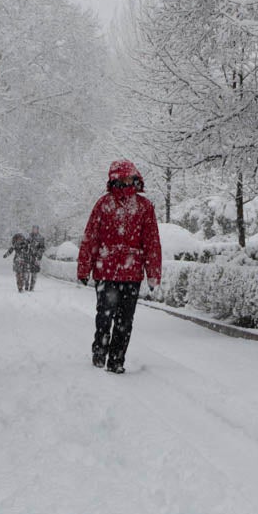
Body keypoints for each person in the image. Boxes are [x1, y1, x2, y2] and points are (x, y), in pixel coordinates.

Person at [76, 160, 162, 374]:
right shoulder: (104, 204)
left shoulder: (144, 207)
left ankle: (116, 360)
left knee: (125, 321)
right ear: (113, 179)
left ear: (135, 179)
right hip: (106, 272)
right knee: (104, 316)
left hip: (130, 274)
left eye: (127, 178)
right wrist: (83, 268)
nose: (124, 183)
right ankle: (100, 351)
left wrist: (153, 274)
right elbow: (90, 238)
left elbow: (152, 242)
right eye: (120, 179)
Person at [23, 226, 47, 291]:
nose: (34, 230)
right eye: (33, 229)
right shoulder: (29, 237)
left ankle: (32, 287)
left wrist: (38, 255)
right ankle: (26, 286)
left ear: (38, 230)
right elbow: (25, 246)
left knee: (34, 273)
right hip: (28, 258)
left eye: (36, 229)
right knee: (27, 272)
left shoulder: (41, 238)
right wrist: (25, 252)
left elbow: (43, 248)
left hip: (36, 258)